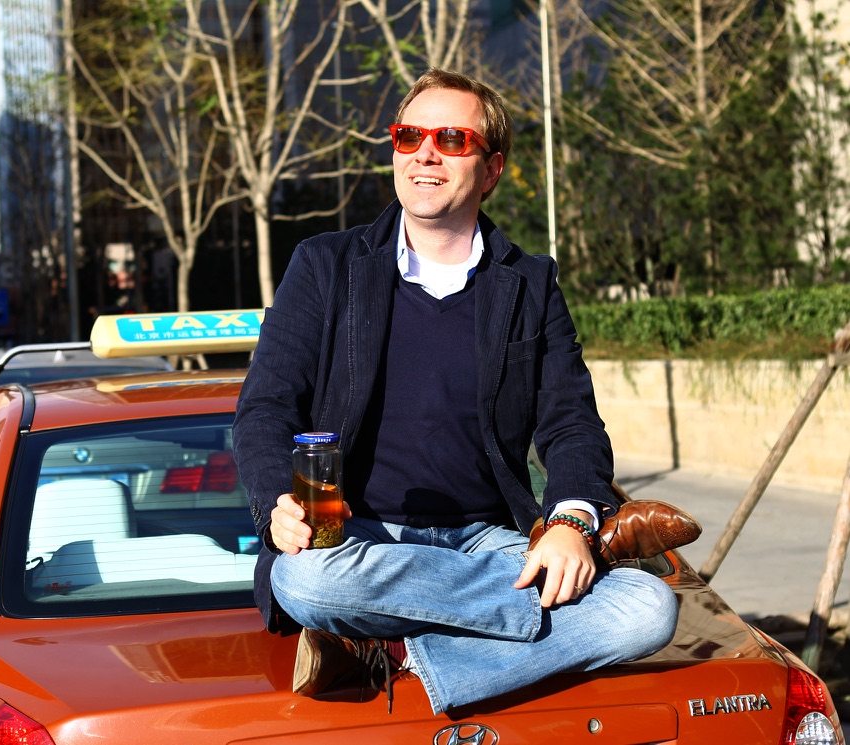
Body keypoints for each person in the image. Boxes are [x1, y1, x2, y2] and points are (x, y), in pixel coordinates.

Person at [232, 68, 697, 716]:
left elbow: (572, 426)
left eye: (451, 138)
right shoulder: (325, 264)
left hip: (488, 537)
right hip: (357, 541)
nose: (424, 152)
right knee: (303, 580)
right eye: (409, 134)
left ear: (491, 168)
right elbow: (264, 408)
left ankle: (409, 653)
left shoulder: (530, 284)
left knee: (648, 608)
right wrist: (275, 503)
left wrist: (568, 523)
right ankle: (475, 629)